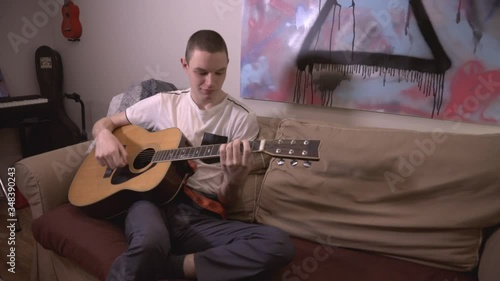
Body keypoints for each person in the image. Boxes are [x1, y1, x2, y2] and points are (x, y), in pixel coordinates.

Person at [92, 29, 295, 281]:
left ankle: (171, 267)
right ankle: (157, 261)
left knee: (278, 245)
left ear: (227, 66)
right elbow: (106, 122)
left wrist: (235, 177)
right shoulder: (163, 103)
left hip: (198, 215)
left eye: (219, 72)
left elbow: (227, 200)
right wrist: (103, 135)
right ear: (185, 65)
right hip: (149, 202)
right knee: (149, 243)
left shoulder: (241, 119)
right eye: (201, 72)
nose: (211, 82)